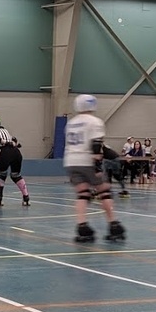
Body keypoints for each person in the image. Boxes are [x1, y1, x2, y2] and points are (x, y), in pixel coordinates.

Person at [64, 94, 124, 243]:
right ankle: (113, 225)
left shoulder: (70, 123)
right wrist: (98, 166)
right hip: (87, 160)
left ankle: (82, 227)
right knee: (104, 192)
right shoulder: (94, 122)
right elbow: (96, 144)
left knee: (82, 194)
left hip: (71, 160)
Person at [0, 115, 29, 206]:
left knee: (1, 174)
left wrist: (6, 143)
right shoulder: (6, 131)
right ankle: (26, 197)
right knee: (16, 175)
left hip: (4, 152)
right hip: (16, 153)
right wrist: (14, 144)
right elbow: (14, 140)